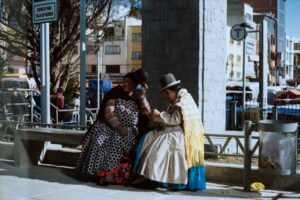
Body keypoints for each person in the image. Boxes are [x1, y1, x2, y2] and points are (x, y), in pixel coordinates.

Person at [76, 69, 150, 186]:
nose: (124, 84)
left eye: (128, 82)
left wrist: (142, 96)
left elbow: (146, 111)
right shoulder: (115, 92)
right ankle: (101, 173)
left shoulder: (138, 96)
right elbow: (109, 112)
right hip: (110, 125)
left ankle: (109, 174)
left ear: (135, 85)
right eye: (123, 81)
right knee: (99, 140)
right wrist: (118, 127)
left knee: (116, 140)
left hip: (129, 130)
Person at [133, 73, 206, 191]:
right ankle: (152, 177)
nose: (167, 96)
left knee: (157, 151)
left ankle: (162, 179)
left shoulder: (181, 102)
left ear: (174, 90)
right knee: (150, 142)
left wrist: (159, 114)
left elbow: (175, 120)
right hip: (176, 131)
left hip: (178, 134)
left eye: (167, 93)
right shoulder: (182, 99)